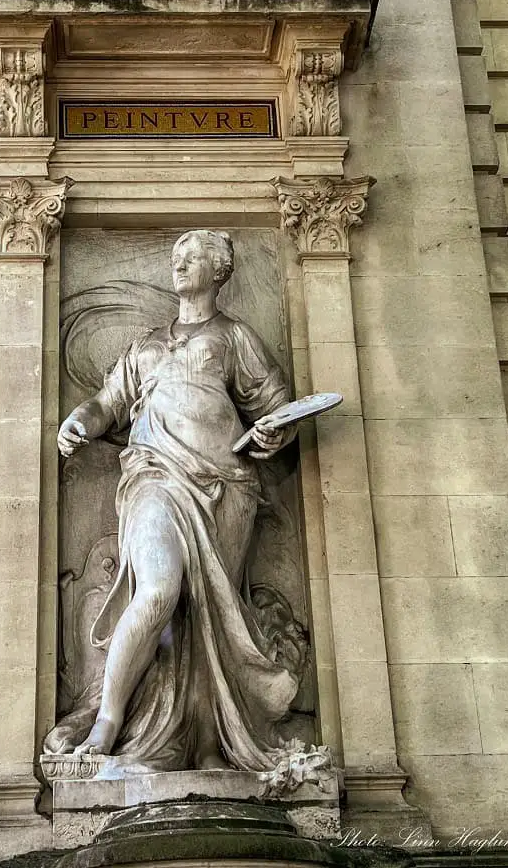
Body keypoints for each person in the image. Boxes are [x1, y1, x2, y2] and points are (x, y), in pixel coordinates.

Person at [46, 230, 299, 772]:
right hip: (154, 477)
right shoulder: (146, 344)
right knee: (159, 589)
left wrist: (274, 433)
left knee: (210, 614)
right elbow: (107, 402)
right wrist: (78, 422)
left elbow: (276, 407)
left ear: (220, 272)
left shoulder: (234, 338)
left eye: (194, 258)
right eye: (177, 257)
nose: (180, 264)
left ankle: (208, 745)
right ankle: (107, 724)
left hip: (225, 486)